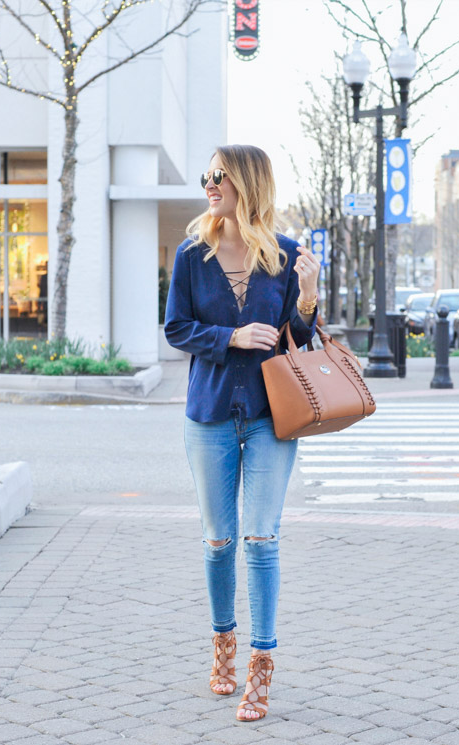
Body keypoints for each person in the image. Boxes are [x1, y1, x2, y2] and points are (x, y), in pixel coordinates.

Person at [163, 145, 320, 722]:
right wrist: (228, 338)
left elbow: (298, 333)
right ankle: (222, 646)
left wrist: (306, 296)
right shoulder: (191, 256)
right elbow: (176, 328)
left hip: (270, 415)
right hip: (207, 416)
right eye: (207, 176)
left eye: (219, 176)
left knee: (261, 539)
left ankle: (261, 667)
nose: (209, 184)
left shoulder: (287, 255)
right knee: (217, 540)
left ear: (246, 183)